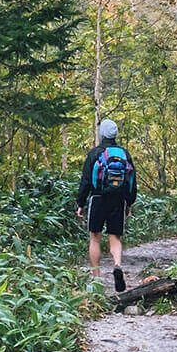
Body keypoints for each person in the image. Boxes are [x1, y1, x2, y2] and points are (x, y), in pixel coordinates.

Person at [76, 118, 137, 292]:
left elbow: (86, 181)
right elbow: (132, 182)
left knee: (95, 237)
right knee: (115, 237)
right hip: (118, 200)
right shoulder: (125, 154)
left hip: (98, 199)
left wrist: (80, 203)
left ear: (101, 134)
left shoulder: (95, 153)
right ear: (116, 134)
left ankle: (96, 278)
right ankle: (117, 265)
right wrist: (129, 203)